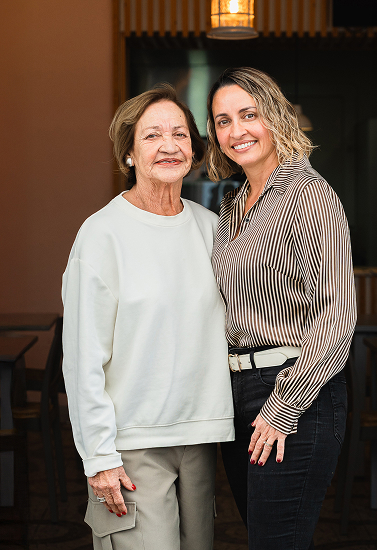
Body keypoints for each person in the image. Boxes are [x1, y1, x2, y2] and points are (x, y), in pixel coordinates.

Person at [62, 83, 234, 550]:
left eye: (180, 134)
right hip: (131, 444)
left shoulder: (211, 228)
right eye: (152, 135)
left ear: (194, 149)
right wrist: (99, 456)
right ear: (130, 153)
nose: (169, 145)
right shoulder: (102, 235)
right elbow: (82, 359)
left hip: (200, 436)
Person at [206, 67, 357, 550]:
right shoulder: (232, 207)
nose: (237, 130)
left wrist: (282, 405)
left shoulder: (307, 193)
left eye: (249, 115)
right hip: (236, 394)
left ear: (274, 116)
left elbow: (337, 314)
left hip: (295, 392)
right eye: (223, 121)